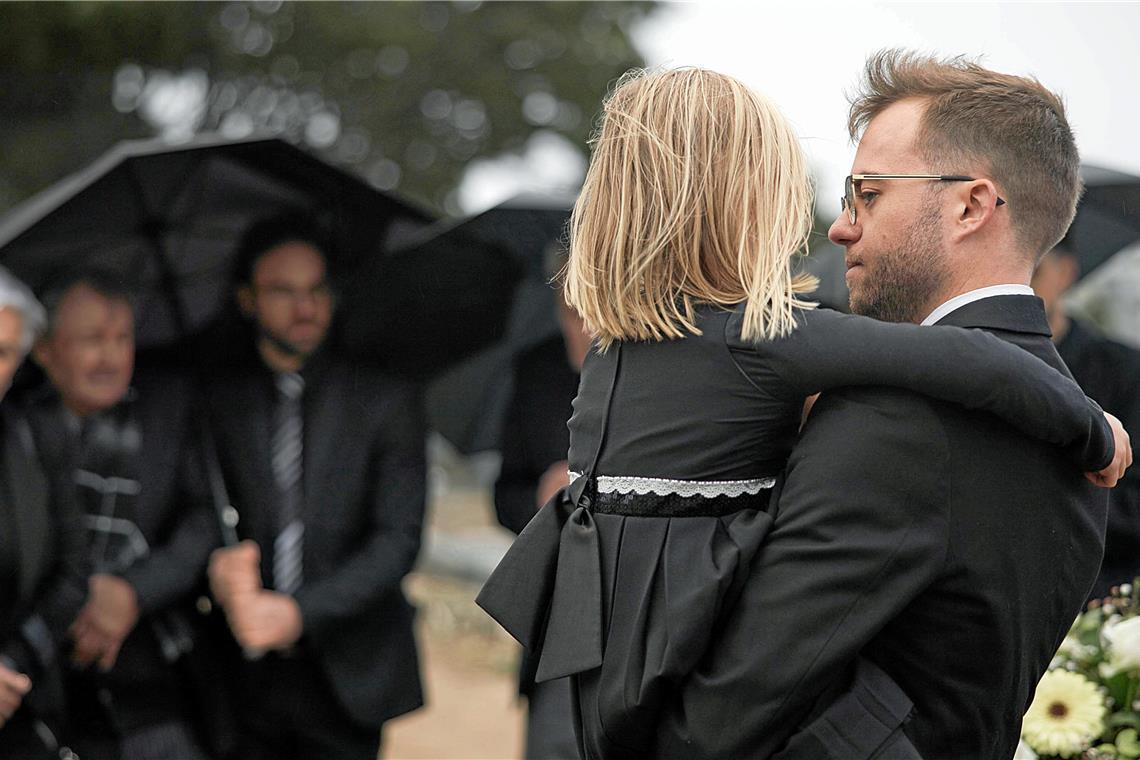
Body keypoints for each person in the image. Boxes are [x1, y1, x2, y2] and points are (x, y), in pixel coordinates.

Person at [477, 65, 1130, 760]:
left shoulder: (896, 418)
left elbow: (727, 716)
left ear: (971, 206)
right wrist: (1095, 427)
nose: (839, 226)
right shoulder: (1026, 411)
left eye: (869, 196)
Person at [205, 215, 427, 760]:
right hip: (235, 676)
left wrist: (298, 613)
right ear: (247, 300)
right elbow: (197, 515)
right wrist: (218, 572)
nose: (305, 308)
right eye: (283, 291)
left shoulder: (384, 401)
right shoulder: (217, 402)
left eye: (316, 290)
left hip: (346, 672)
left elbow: (397, 542)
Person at [28, 271, 217, 760]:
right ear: (45, 350)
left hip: (151, 679)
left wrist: (132, 592)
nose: (111, 357)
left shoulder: (171, 408)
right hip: (36, 683)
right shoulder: (18, 426)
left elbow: (204, 519)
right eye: (93, 339)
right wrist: (72, 600)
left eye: (123, 338)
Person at [495, 274, 590, 760]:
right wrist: (541, 497)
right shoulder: (538, 370)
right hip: (554, 622)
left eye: (592, 310)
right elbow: (504, 494)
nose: (583, 328)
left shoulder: (657, 370)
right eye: (570, 312)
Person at [0, 266, 87, 760]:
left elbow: (72, 573)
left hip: (21, 705)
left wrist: (10, 665)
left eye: (3, 352)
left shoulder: (36, 437)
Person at [1033, 242, 1140, 598]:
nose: (1017, 286)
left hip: (1103, 588)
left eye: (1034, 270)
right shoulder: (966, 371)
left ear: (1066, 272)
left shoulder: (1124, 371)